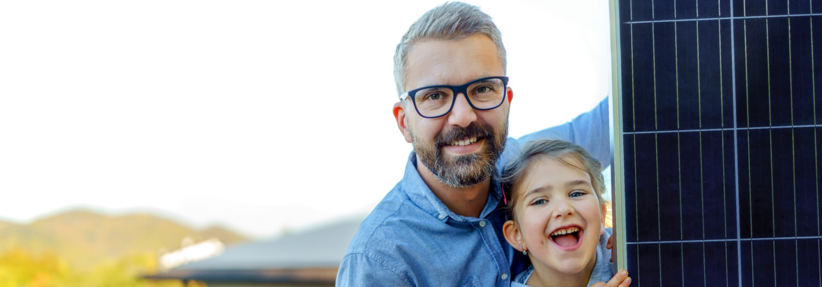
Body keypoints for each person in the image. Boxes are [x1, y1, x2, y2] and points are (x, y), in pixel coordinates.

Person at [337, 2, 613, 286]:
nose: (463, 116)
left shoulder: (543, 166)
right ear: (404, 122)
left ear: (506, 102)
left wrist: (635, 236)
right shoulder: (379, 262)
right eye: (435, 96)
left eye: (482, 89)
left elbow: (624, 114)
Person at [501, 139, 630, 287]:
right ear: (517, 235)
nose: (563, 209)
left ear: (601, 216)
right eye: (540, 201)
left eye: (576, 194)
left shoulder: (629, 253)